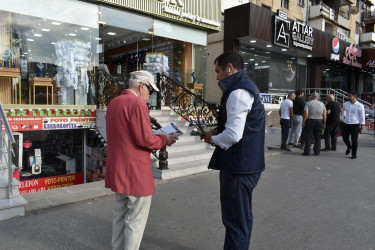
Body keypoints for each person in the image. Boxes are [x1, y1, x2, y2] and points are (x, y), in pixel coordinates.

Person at [105, 70, 178, 250]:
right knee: (135, 222)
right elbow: (145, 139)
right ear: (142, 86)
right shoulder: (137, 104)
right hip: (135, 172)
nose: (150, 95)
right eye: (150, 90)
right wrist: (164, 139)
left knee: (119, 217)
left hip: (118, 169)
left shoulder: (114, 103)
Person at [201, 52, 265, 250]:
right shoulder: (244, 88)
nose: (217, 77)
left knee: (235, 222)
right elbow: (241, 127)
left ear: (229, 68)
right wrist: (218, 131)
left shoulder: (238, 92)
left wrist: (213, 138)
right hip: (246, 164)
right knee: (241, 219)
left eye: (218, 72)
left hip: (239, 167)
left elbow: (234, 135)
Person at [342, 91, 365, 159]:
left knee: (354, 139)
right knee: (345, 137)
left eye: (350, 96)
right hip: (346, 123)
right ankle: (349, 147)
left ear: (354, 97)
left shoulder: (360, 105)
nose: (348, 97)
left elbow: (362, 116)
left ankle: (354, 154)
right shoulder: (346, 104)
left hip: (355, 124)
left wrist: (362, 127)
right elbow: (343, 111)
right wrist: (344, 116)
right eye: (348, 95)